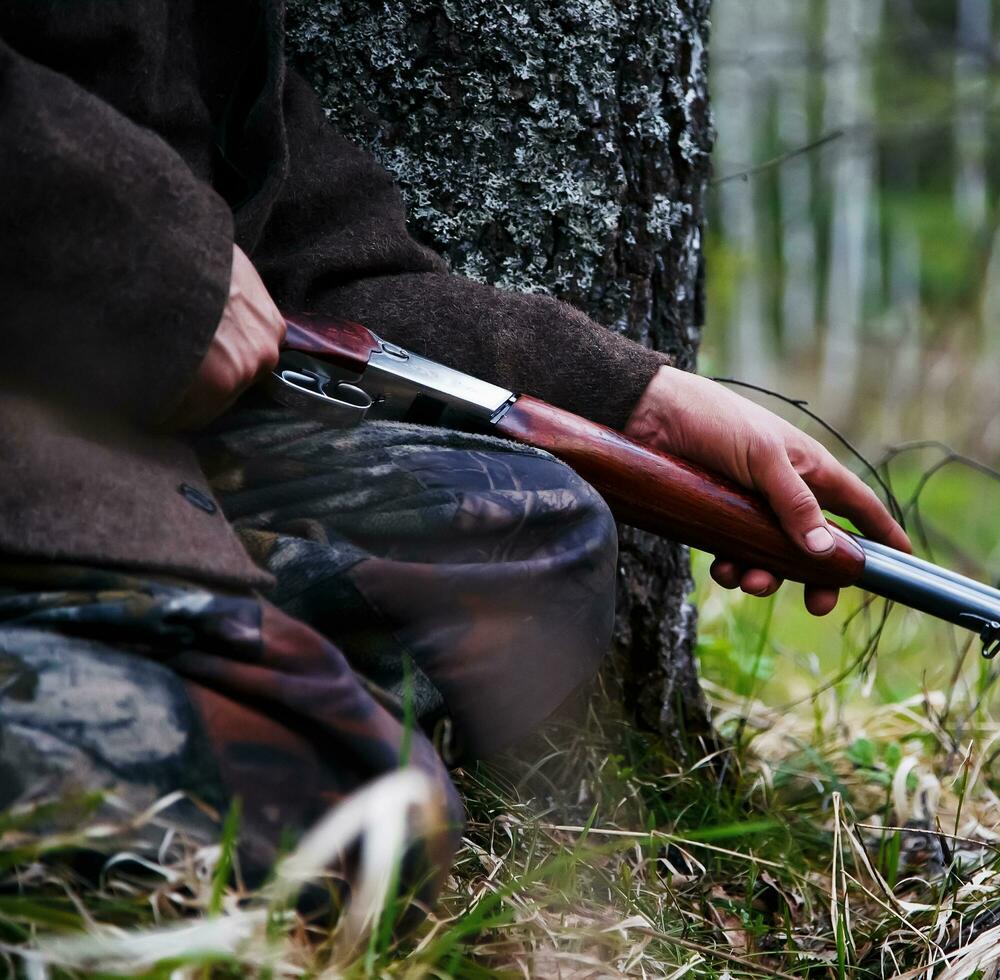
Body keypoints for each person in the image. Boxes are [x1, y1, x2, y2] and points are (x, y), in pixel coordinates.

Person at [0, 1, 910, 883]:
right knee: (368, 814)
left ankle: (203, 680)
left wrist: (642, 401)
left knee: (530, 529)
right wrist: (165, 271)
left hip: (127, 436)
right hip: (39, 450)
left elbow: (312, 257)